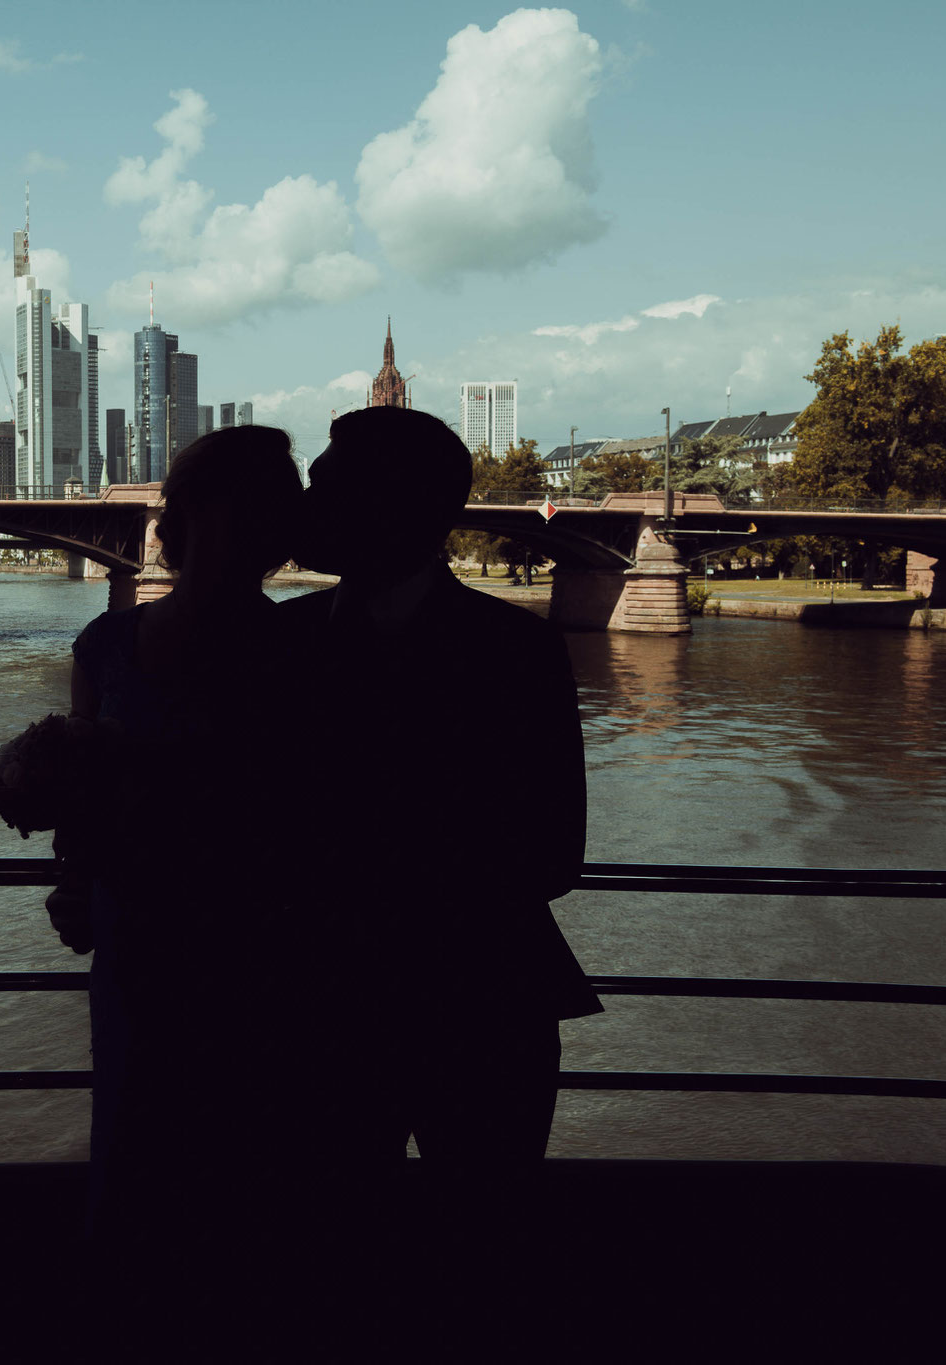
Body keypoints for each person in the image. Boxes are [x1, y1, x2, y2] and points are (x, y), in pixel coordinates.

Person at [279, 405, 600, 1336]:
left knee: (485, 1260)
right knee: (331, 1264)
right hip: (334, 1019)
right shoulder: (279, 645)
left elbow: (556, 851)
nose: (308, 501)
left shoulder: (516, 650)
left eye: (326, 484)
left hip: (475, 1015)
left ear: (395, 504)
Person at [60, 425, 309, 1348]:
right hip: (141, 950)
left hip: (265, 960)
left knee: (242, 1172)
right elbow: (79, 804)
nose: (239, 538)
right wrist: (76, 881)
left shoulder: (313, 653)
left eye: (259, 518)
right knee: (135, 1157)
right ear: (184, 525)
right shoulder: (105, 644)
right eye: (222, 516)